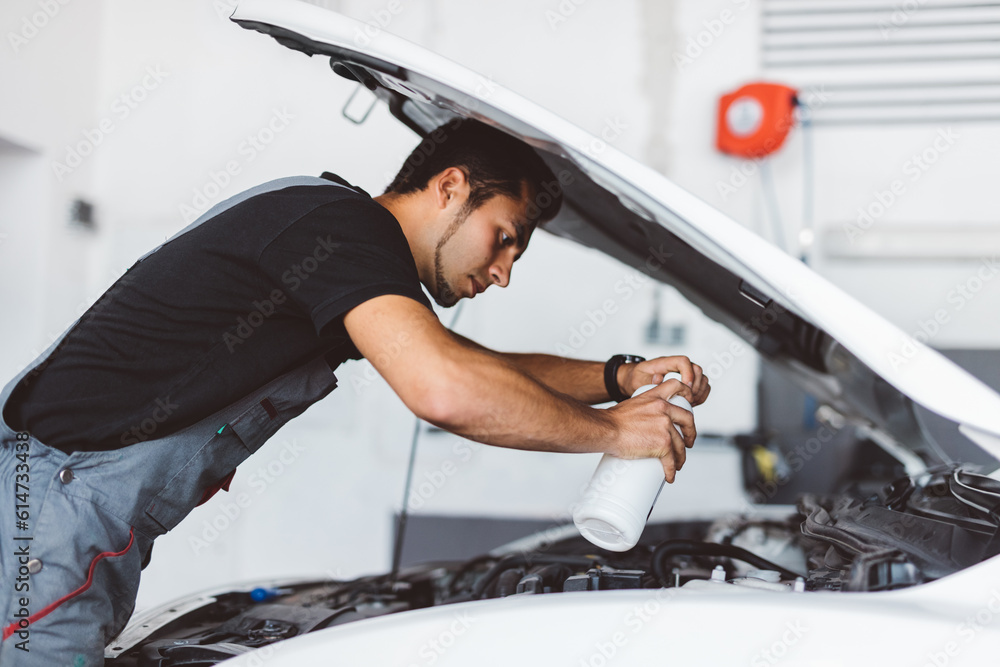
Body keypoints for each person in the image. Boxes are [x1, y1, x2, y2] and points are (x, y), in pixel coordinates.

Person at [0, 119, 710, 665]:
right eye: (504, 238)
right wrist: (617, 433)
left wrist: (619, 377)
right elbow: (446, 389)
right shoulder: (343, 229)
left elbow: (469, 363)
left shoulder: (340, 238)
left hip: (65, 503)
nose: (502, 273)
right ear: (450, 187)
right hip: (54, 504)